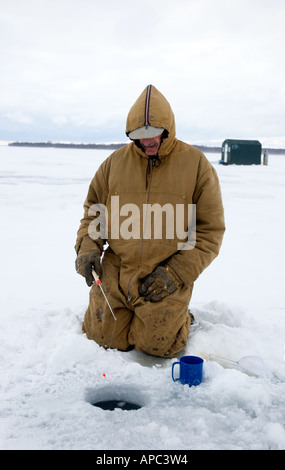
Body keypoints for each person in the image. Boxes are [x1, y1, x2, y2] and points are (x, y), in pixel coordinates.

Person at [75, 85, 225, 358]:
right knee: (103, 338)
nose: (148, 142)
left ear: (167, 130)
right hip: (118, 271)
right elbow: (95, 213)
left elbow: (209, 231)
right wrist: (88, 248)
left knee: (158, 346)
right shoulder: (113, 164)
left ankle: (181, 318)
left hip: (164, 274)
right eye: (139, 137)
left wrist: (176, 273)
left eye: (153, 135)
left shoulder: (196, 164)